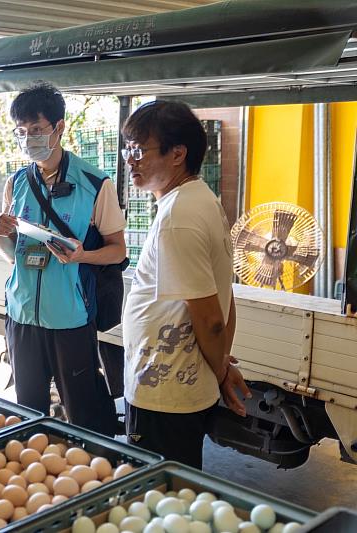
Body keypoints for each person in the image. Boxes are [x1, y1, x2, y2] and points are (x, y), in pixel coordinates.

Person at [0, 82, 126, 435]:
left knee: (83, 413)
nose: (28, 138)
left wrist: (83, 255)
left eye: (36, 129)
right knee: (27, 411)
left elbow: (118, 249)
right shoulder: (16, 182)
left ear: (59, 127)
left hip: (70, 317)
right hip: (21, 315)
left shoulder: (95, 183)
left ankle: (96, 471)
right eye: (21, 131)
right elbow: (13, 256)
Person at [120, 100, 250, 469]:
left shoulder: (178, 216)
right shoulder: (200, 198)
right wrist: (221, 361)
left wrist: (221, 368)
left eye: (140, 150)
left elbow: (210, 316)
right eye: (128, 148)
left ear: (177, 154)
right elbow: (224, 295)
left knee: (162, 494)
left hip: (164, 390)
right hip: (177, 380)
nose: (130, 159)